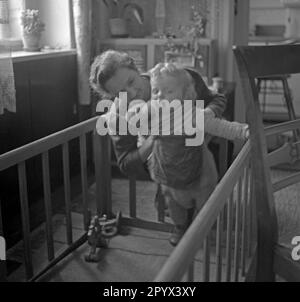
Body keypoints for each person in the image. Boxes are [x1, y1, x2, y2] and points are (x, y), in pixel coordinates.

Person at [89, 50, 227, 242]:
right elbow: (126, 164)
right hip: (165, 168)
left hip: (199, 152)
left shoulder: (177, 77)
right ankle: (178, 217)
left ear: (136, 68)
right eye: (120, 93)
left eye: (130, 81)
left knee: (206, 204)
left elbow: (217, 98)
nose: (131, 92)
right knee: (172, 209)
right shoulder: (119, 115)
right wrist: (154, 138)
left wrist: (209, 113)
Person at [126, 63, 249, 246]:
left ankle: (201, 228)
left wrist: (246, 131)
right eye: (156, 91)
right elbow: (133, 122)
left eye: (168, 92)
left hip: (198, 170)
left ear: (185, 95)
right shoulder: (150, 110)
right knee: (173, 203)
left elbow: (221, 126)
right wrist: (132, 113)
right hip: (167, 170)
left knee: (204, 203)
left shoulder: (192, 114)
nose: (160, 96)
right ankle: (180, 227)